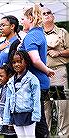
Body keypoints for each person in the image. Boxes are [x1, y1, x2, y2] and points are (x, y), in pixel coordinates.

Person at [19, 5, 55, 138]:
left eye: (23, 19)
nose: (21, 21)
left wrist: (47, 70)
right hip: (39, 83)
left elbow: (35, 59)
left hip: (35, 83)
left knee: (37, 121)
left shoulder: (32, 36)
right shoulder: (39, 33)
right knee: (39, 119)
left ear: (31, 18)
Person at [41, 7, 69, 137]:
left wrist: (59, 52)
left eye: (48, 13)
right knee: (44, 108)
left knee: (60, 107)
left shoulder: (62, 32)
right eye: (43, 13)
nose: (46, 15)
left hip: (57, 73)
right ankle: (45, 134)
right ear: (39, 18)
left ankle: (63, 135)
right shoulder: (37, 33)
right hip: (42, 75)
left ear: (53, 16)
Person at [3, 50, 41, 138]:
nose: (16, 64)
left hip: (28, 114)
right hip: (16, 115)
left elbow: (36, 98)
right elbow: (8, 100)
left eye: (19, 61)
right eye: (14, 62)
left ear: (26, 62)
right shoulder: (11, 81)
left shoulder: (32, 79)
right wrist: (6, 117)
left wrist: (36, 115)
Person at [0, 15, 21, 98]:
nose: (0, 28)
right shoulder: (0, 44)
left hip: (10, 85)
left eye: (3, 25)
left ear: (12, 26)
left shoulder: (17, 44)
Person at [0, 64, 17, 138]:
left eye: (1, 76)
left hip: (11, 121)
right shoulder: (3, 87)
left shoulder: (12, 88)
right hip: (4, 120)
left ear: (9, 76)